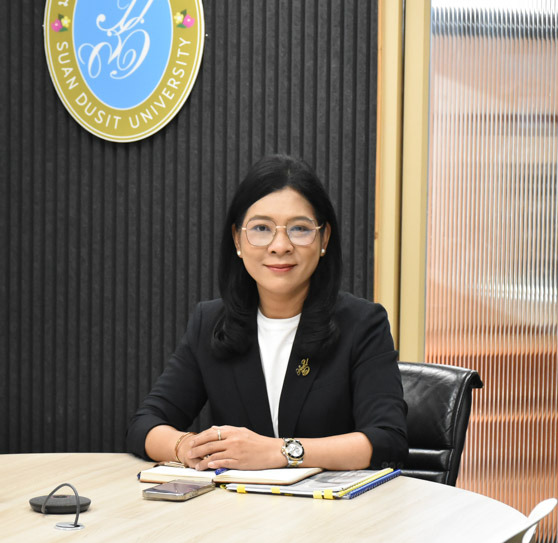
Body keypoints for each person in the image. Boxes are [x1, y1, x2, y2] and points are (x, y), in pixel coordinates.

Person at [126, 154, 407, 471]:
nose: (280, 245)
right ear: (238, 239)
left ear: (324, 238)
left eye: (300, 229)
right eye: (261, 228)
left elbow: (387, 440)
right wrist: (186, 447)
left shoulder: (362, 323)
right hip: (237, 502)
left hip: (330, 502)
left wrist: (282, 451)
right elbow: (145, 424)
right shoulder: (211, 323)